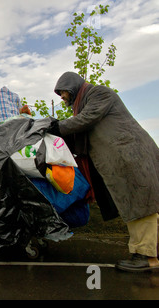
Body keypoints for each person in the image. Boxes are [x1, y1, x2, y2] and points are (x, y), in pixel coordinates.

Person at [51, 71, 159, 272]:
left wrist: (53, 126)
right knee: (138, 202)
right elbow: (78, 132)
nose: (62, 97)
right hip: (125, 157)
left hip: (131, 154)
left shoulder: (99, 93)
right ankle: (148, 252)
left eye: (63, 92)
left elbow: (86, 119)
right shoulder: (83, 103)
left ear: (72, 85)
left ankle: (146, 256)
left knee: (139, 203)